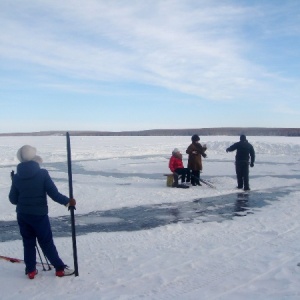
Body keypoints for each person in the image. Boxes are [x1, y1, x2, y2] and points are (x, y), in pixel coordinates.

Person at [9, 145, 76, 279]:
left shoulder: (17, 177)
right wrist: (68, 202)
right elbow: (54, 193)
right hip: (39, 216)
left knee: (28, 243)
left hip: (22, 215)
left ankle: (31, 271)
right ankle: (59, 269)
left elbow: (13, 199)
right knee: (46, 243)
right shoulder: (42, 173)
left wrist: (14, 182)